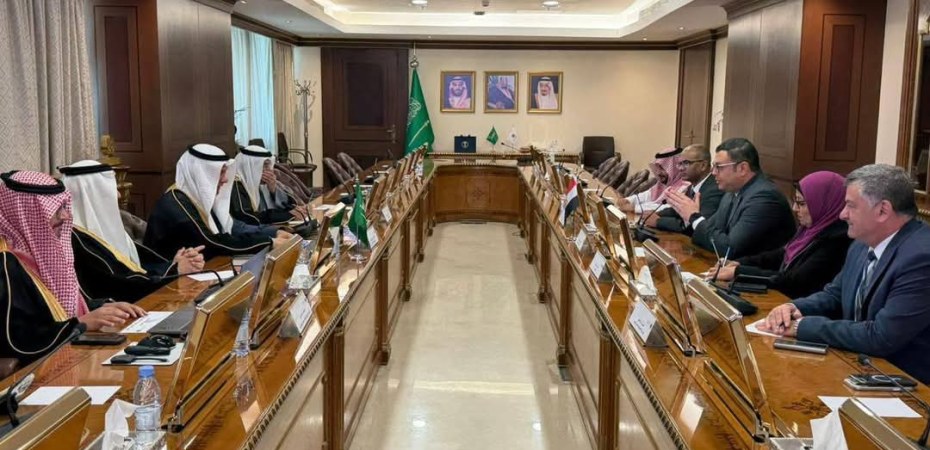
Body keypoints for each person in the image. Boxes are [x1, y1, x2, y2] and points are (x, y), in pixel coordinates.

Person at [759, 164, 930, 384]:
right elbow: (835, 294)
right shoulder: (861, 244)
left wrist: (803, 326)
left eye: (850, 205)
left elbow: (881, 336)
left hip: (907, 386)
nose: (842, 214)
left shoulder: (921, 258)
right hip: (856, 367)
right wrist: (795, 308)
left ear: (882, 210)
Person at [0, 171, 145, 362]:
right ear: (26, 213)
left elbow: (58, 307)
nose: (65, 215)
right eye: (55, 209)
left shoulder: (40, 248)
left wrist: (101, 307)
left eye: (64, 206)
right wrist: (81, 324)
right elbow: (18, 339)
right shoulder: (5, 263)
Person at [61, 160, 205, 303]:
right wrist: (174, 270)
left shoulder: (104, 226)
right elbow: (121, 286)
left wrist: (174, 263)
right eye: (112, 188)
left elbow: (137, 267)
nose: (118, 195)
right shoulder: (76, 239)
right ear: (92, 193)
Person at [704, 171, 851, 298]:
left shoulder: (837, 241)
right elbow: (782, 255)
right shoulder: (808, 230)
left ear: (822, 204)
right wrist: (740, 263)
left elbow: (795, 281)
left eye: (801, 203)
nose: (795, 208)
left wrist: (739, 272)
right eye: (795, 202)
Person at [144, 144, 289, 260]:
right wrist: (269, 242)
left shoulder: (195, 197)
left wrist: (273, 233)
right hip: (169, 281)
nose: (225, 179)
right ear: (202, 174)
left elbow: (230, 229)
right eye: (221, 172)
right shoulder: (177, 204)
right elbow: (212, 243)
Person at [666, 138, 795, 259]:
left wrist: (694, 217)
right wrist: (691, 217)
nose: (713, 172)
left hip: (751, 271)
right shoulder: (732, 192)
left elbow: (729, 249)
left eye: (719, 167)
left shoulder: (764, 198)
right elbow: (712, 232)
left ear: (742, 168)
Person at [646, 144, 724, 234]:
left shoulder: (714, 189)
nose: (680, 169)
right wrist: (655, 214)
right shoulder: (692, 186)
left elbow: (695, 225)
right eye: (679, 164)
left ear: (703, 165)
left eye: (686, 163)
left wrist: (658, 221)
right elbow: (678, 210)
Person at [230, 145, 302, 226]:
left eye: (269, 165)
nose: (269, 170)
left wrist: (274, 190)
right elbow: (249, 217)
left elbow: (291, 204)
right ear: (251, 166)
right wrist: (288, 215)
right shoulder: (236, 185)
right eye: (265, 165)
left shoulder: (262, 183)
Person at [618, 147, 690, 214]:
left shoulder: (685, 187)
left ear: (674, 168)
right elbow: (646, 196)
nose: (658, 173)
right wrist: (628, 200)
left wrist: (635, 208)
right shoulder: (664, 183)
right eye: (657, 168)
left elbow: (668, 209)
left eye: (662, 168)